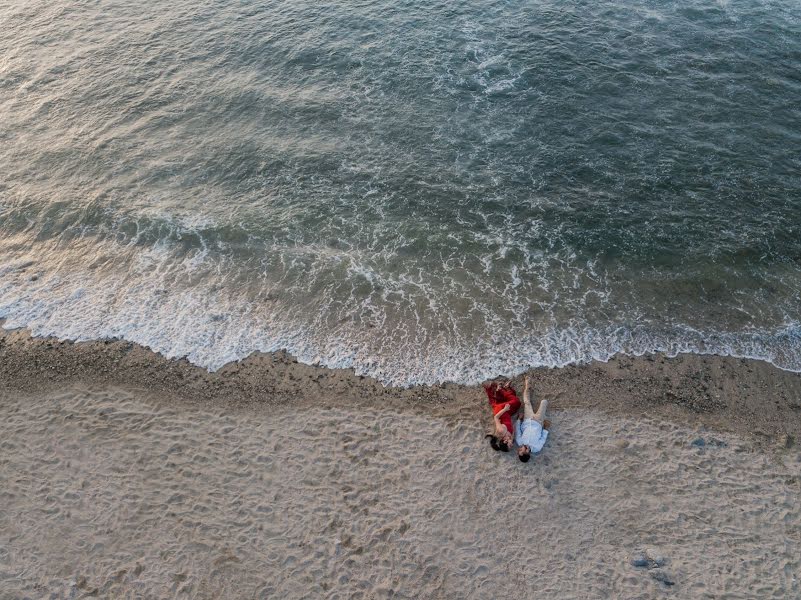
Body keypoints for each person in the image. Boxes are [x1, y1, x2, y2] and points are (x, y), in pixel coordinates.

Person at [515, 375, 550, 462]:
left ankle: (527, 385)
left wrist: (519, 419)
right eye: (521, 451)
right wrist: (545, 428)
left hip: (527, 419)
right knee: (544, 402)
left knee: (527, 402)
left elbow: (518, 430)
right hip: (538, 421)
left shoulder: (520, 442)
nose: (519, 449)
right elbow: (543, 438)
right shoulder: (537, 448)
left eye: (519, 451)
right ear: (526, 453)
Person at [484, 379, 521, 452]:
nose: (512, 445)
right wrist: (519, 419)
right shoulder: (511, 438)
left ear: (505, 441)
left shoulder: (501, 431)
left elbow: (496, 417)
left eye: (510, 445)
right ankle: (503, 389)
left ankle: (502, 390)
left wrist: (505, 409)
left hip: (500, 411)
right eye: (511, 446)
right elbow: (513, 429)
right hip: (507, 414)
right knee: (516, 406)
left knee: (516, 402)